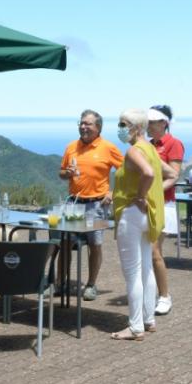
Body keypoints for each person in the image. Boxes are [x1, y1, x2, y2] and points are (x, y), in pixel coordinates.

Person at [110, 108, 176, 341]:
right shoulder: (150, 149)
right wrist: (150, 195)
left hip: (132, 213)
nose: (119, 128)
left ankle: (135, 326)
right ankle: (148, 320)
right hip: (150, 216)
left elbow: (147, 173)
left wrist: (139, 195)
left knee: (132, 272)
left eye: (123, 124)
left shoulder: (134, 151)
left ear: (137, 128)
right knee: (146, 268)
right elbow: (171, 175)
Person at [57, 110, 124, 301]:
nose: (83, 127)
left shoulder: (108, 147)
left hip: (97, 204)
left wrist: (112, 192)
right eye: (81, 123)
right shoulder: (71, 147)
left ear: (98, 127)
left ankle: (91, 285)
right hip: (74, 203)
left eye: (88, 124)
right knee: (66, 243)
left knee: (95, 244)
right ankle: (61, 283)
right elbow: (61, 173)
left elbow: (125, 171)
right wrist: (67, 173)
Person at [147, 104, 184, 316]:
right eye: (148, 122)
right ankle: (153, 293)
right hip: (144, 204)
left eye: (153, 122)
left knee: (154, 252)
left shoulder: (173, 144)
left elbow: (174, 175)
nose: (149, 126)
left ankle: (164, 296)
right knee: (148, 252)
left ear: (164, 123)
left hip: (162, 204)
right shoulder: (147, 144)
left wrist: (154, 193)